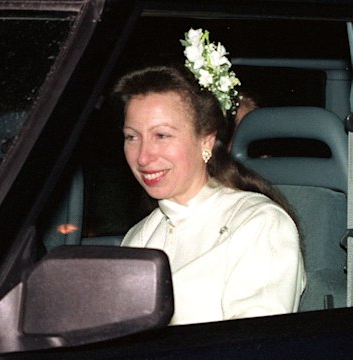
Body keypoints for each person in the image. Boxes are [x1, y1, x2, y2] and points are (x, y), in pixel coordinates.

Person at [113, 63, 306, 325]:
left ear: (205, 141)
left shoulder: (260, 225)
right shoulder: (139, 236)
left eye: (162, 135)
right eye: (132, 137)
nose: (144, 157)